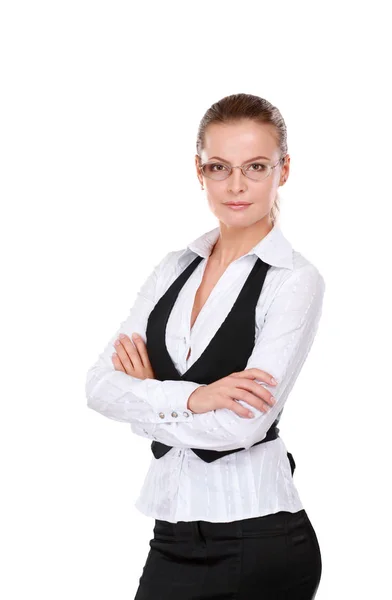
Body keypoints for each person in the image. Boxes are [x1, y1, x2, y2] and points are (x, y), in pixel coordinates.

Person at [85, 93, 325, 599]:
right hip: (171, 534)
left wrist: (148, 394)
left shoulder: (293, 281)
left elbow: (242, 424)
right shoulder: (174, 267)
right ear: (200, 171)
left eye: (256, 166)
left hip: (261, 539)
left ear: (284, 171)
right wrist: (194, 397)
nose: (236, 185)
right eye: (219, 167)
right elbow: (99, 386)